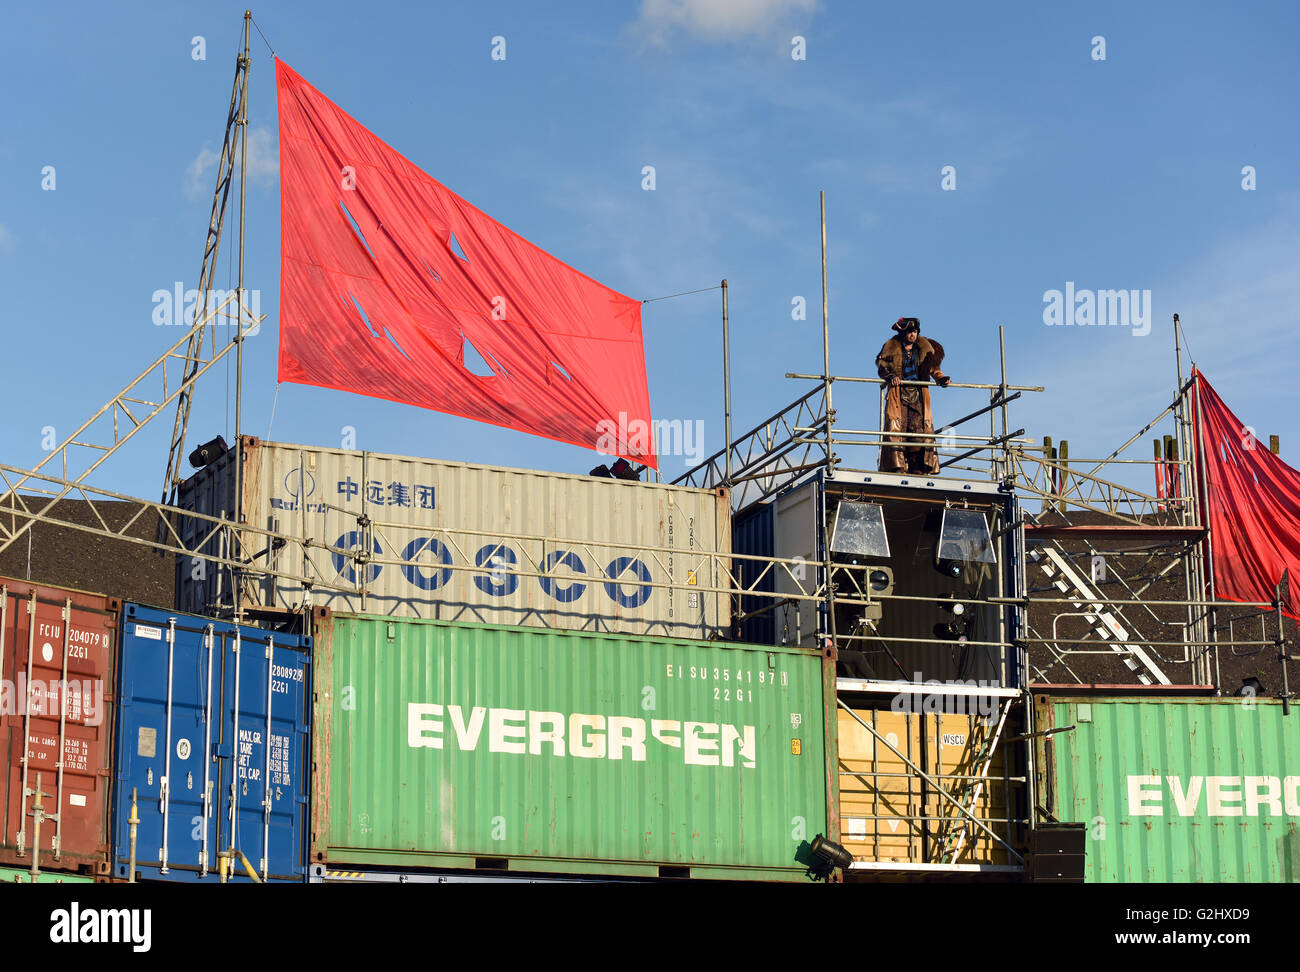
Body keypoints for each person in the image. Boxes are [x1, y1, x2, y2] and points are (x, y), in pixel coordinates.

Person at [876, 317, 950, 474]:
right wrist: (890, 377)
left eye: (915, 332)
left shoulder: (923, 350)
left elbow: (933, 369)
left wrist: (941, 378)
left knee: (918, 431)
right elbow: (882, 368)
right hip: (898, 396)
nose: (912, 334)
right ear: (904, 333)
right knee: (898, 431)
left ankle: (918, 468)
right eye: (910, 331)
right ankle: (898, 467)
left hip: (918, 396)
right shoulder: (892, 348)